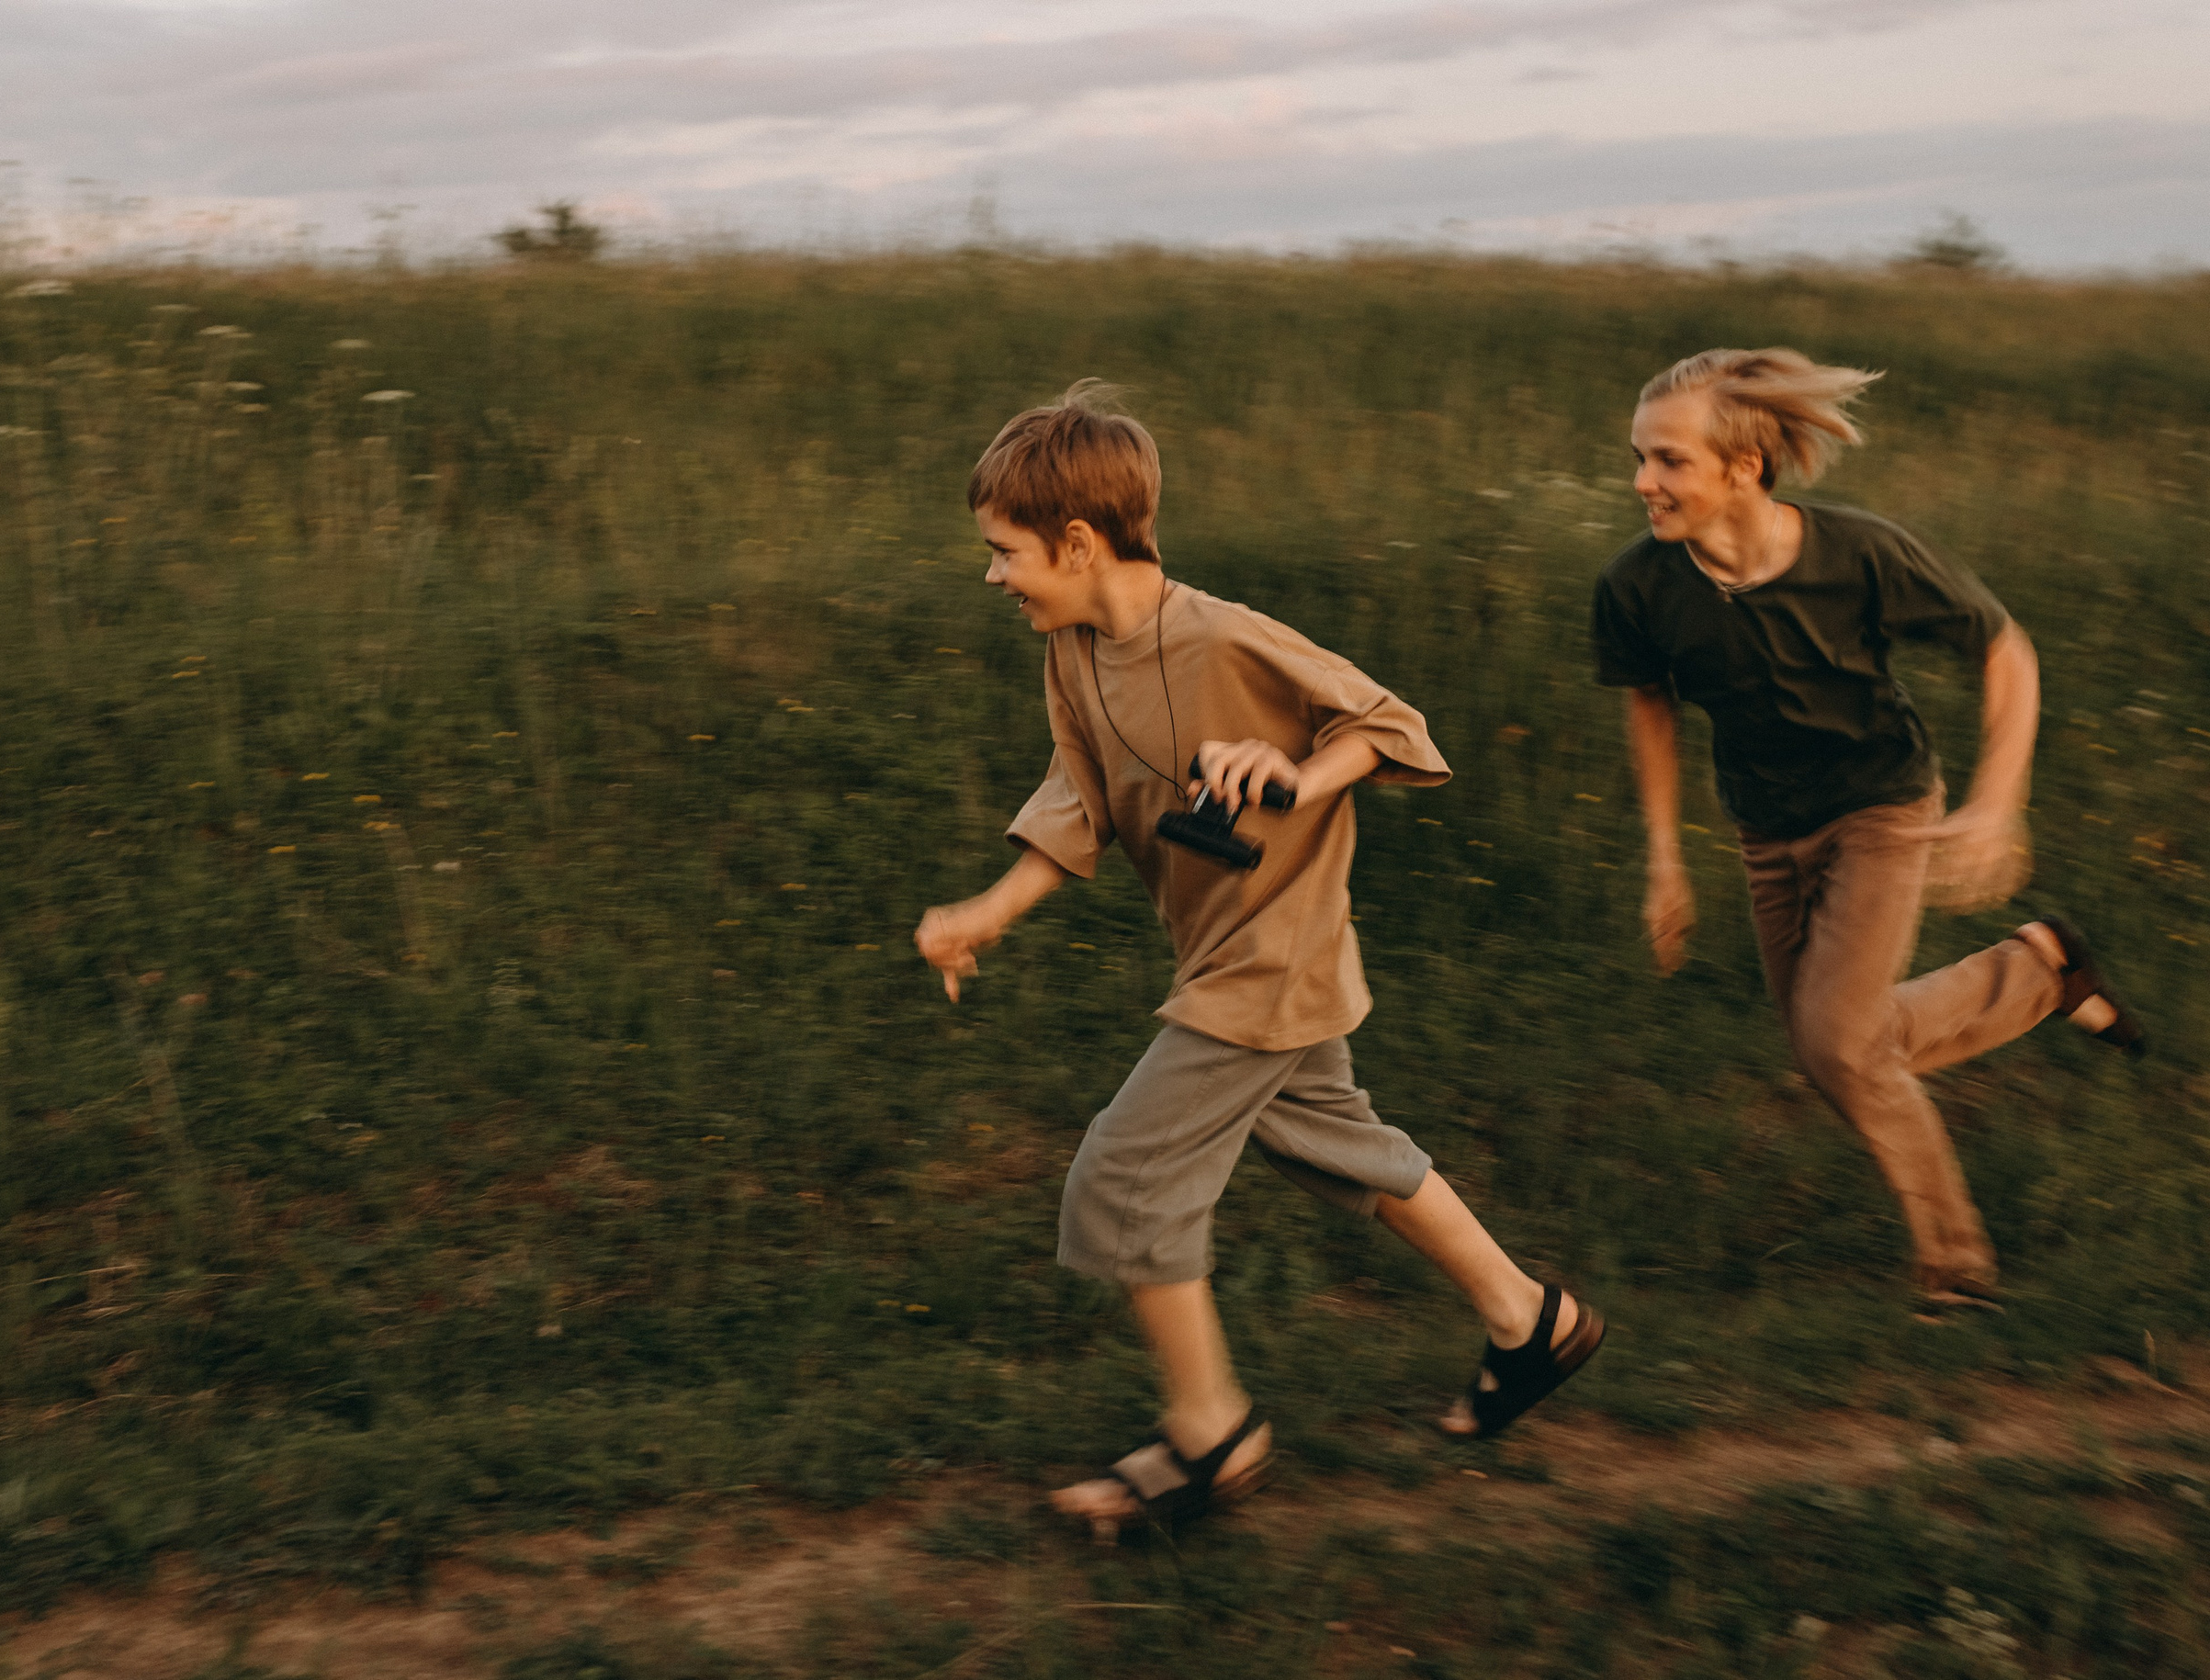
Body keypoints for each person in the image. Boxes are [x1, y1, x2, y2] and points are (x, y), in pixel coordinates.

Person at [916, 380, 1603, 1540]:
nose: (992, 574)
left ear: (1078, 541)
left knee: (1123, 1176)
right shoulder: (1075, 650)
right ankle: (1527, 1317)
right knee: (1337, 1140)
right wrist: (991, 907)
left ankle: (1210, 1433)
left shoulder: (1223, 634)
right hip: (1223, 951)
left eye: (1004, 551)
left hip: (1270, 958)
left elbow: (1393, 727)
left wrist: (1296, 774)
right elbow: (1077, 794)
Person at [1593, 347, 2145, 1315]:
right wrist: (1665, 858)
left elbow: (2003, 647)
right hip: (1766, 830)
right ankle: (2040, 970)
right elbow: (1650, 701)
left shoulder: (1859, 555)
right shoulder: (1638, 586)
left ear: (1742, 467)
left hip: (1881, 808)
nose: (1643, 481)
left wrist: (1995, 798)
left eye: (1669, 460)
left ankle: (1957, 1266)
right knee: (1830, 1046)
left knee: (1842, 1046)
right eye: (1640, 456)